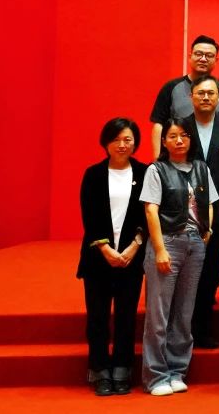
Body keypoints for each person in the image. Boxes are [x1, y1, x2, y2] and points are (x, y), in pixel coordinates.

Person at [140, 120, 217, 396]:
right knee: (159, 314)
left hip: (195, 243)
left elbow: (209, 203)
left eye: (184, 135)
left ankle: (176, 370)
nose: (179, 140)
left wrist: (207, 231)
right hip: (168, 242)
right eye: (172, 136)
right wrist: (159, 248)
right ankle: (156, 376)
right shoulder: (156, 170)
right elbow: (151, 210)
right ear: (164, 141)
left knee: (184, 312)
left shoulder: (201, 168)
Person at [78, 117, 148, 396]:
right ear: (106, 142)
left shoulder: (144, 172)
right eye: (116, 139)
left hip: (131, 257)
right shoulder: (93, 174)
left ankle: (122, 369)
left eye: (127, 139)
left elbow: (148, 212)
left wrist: (135, 246)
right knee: (97, 317)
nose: (122, 145)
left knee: (126, 316)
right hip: (98, 258)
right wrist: (105, 249)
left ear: (135, 143)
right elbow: (90, 216)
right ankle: (99, 370)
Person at [180, 76, 219, 349]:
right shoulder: (180, 127)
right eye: (200, 93)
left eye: (211, 93)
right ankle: (180, 331)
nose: (206, 97)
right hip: (182, 210)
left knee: (209, 269)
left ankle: (202, 330)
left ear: (218, 98)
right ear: (191, 96)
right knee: (184, 269)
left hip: (218, 212)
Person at [149, 35, 219, 158]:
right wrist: (157, 159)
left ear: (216, 60)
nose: (203, 59)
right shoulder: (171, 87)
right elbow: (159, 125)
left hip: (216, 157)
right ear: (190, 56)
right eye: (198, 54)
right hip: (180, 157)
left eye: (209, 55)